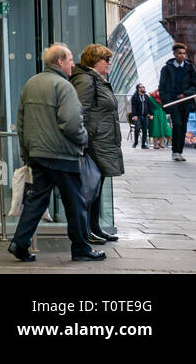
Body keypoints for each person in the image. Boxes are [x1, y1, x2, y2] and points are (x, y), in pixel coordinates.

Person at [7, 43, 102, 263]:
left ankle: (19, 243)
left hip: (38, 154)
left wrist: (26, 153)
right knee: (75, 203)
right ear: (60, 62)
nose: (73, 64)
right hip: (62, 155)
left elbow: (21, 121)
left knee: (37, 200)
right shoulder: (64, 86)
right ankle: (81, 248)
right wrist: (84, 139)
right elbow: (70, 123)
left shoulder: (31, 83)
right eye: (70, 60)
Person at [71, 44, 123, 244]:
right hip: (93, 143)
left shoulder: (97, 79)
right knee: (90, 188)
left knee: (97, 187)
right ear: (94, 61)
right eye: (106, 60)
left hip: (102, 141)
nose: (109, 63)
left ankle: (95, 227)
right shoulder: (86, 80)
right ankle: (87, 231)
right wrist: (84, 140)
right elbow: (79, 112)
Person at [158, 42, 196, 161]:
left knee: (183, 127)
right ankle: (175, 151)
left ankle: (179, 151)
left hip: (186, 102)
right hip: (173, 102)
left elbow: (195, 86)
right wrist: (166, 100)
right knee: (177, 124)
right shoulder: (166, 69)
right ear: (175, 54)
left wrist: (185, 94)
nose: (182, 55)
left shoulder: (189, 68)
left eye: (184, 53)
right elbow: (162, 87)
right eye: (180, 53)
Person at [128, 83, 152, 149]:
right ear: (138, 89)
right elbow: (133, 107)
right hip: (137, 116)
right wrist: (134, 115)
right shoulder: (135, 96)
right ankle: (135, 142)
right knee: (137, 128)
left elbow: (149, 106)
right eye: (141, 87)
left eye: (143, 87)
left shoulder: (146, 96)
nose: (143, 88)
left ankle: (143, 145)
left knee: (145, 130)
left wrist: (151, 114)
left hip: (145, 116)